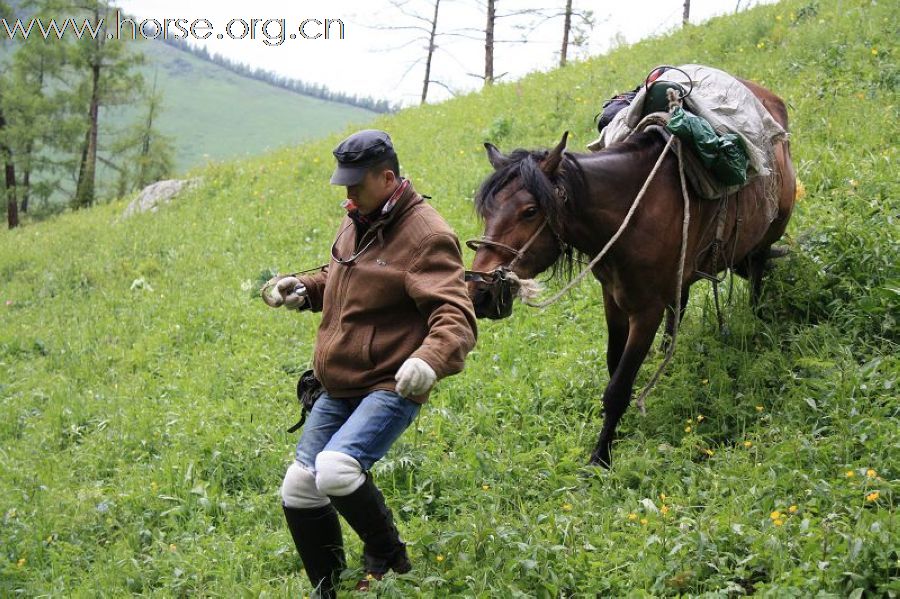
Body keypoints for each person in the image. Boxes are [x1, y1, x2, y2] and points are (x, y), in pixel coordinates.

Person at [267, 129, 477, 596]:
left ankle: (389, 556)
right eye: (344, 183)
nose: (347, 194)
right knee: (300, 488)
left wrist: (430, 360)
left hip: (389, 381)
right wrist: (303, 288)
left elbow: (456, 315)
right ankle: (328, 587)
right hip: (339, 381)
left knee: (337, 470)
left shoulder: (428, 236)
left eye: (355, 184)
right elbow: (344, 276)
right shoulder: (358, 217)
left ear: (387, 178)